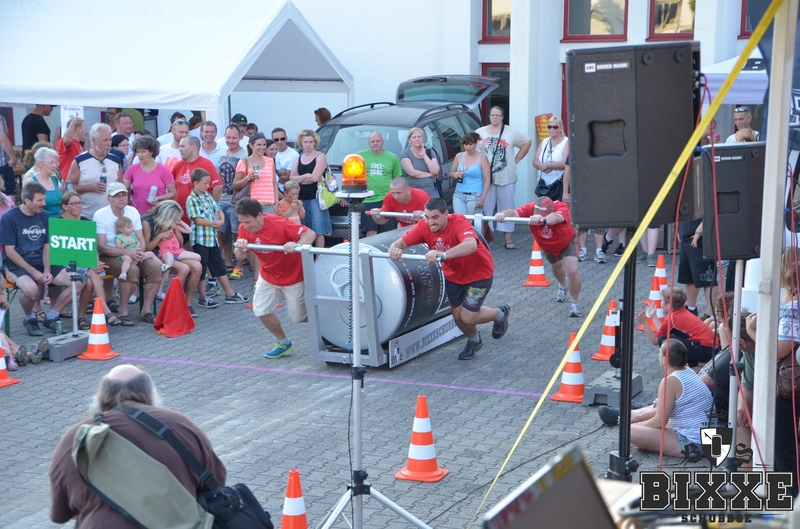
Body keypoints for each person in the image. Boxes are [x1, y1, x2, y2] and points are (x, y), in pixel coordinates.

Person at [49, 364, 227, 528]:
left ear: (101, 396)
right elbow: (216, 482)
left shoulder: (76, 437)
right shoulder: (180, 425)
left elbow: (59, 514)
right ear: (150, 393)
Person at [389, 197, 510, 360]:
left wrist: (444, 254)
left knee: (468, 316)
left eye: (435, 217)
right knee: (457, 316)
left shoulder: (458, 221)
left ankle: (500, 314)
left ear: (446, 214)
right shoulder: (424, 225)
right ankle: (474, 340)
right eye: (427, 217)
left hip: (479, 274)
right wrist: (395, 250)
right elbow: (399, 244)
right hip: (454, 275)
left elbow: (471, 245)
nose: (430, 222)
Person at [598, 339, 715, 458]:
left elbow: (659, 422)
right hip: (704, 437)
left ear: (664, 359)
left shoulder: (670, 381)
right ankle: (651, 442)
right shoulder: (688, 371)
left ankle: (652, 443)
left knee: (627, 430)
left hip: (693, 443)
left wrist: (638, 425)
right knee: (640, 427)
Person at [235, 198, 316, 358]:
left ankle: (330, 324)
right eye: (242, 222)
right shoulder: (243, 228)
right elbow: (240, 255)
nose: (245, 225)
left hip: (293, 276)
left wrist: (297, 244)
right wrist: (241, 248)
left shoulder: (279, 224)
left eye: (248, 222)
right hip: (268, 275)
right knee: (261, 310)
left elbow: (310, 234)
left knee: (297, 317)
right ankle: (284, 343)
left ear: (260, 215)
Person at [0, 183, 84, 336]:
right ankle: (29, 318)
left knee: (77, 282)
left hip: (41, 261)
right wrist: (33, 272)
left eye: (44, 199)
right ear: (27, 200)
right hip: (16, 265)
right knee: (31, 289)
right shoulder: (9, 218)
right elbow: (9, 252)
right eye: (40, 200)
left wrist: (46, 269)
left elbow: (47, 246)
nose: (44, 203)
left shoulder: (44, 215)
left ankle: (51, 317)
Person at [497, 196, 582, 317]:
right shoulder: (531, 207)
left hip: (567, 241)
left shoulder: (560, 207)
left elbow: (557, 217)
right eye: (538, 213)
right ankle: (563, 285)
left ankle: (575, 302)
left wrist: (543, 219)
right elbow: (514, 212)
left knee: (572, 271)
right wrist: (503, 214)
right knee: (556, 268)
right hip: (548, 246)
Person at [94, 182, 162, 325]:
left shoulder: (133, 211)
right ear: (109, 199)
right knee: (131, 270)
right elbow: (101, 246)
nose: (121, 198)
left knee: (155, 267)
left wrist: (139, 251)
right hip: (109, 255)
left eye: (124, 195)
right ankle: (123, 311)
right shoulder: (100, 215)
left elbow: (141, 239)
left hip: (133, 252)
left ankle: (146, 310)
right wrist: (127, 252)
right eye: (117, 196)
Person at [186, 168, 248, 308]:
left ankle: (230, 294)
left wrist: (221, 220)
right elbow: (198, 220)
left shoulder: (206, 195)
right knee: (202, 269)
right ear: (195, 183)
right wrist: (215, 223)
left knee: (219, 266)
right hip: (200, 240)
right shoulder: (192, 199)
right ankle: (203, 297)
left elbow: (218, 209)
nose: (208, 186)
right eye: (205, 183)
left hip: (211, 238)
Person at [59, 192, 120, 328]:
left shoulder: (86, 222)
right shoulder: (59, 223)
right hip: (65, 263)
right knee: (92, 273)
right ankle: (105, 312)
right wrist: (90, 264)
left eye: (80, 203)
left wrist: (96, 262)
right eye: (74, 203)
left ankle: (81, 318)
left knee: (90, 281)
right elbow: (62, 251)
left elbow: (91, 247)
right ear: (65, 206)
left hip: (84, 263)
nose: (79, 206)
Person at [476, 106, 532, 250]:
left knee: (507, 208)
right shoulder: (479, 132)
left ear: (502, 117)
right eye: (492, 115)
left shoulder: (510, 132)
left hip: (506, 176)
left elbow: (527, 142)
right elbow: (471, 149)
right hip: (486, 178)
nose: (494, 117)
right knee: (486, 208)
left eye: (497, 115)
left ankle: (508, 239)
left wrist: (516, 159)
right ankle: (486, 238)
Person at [141, 200, 202, 316]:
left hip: (173, 251)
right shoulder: (147, 221)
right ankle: (171, 302)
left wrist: (175, 228)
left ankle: (187, 304)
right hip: (156, 255)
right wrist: (160, 236)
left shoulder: (171, 223)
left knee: (197, 266)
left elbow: (180, 243)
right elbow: (146, 248)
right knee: (184, 268)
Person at [638, 286, 715, 368]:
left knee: (665, 340)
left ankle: (678, 366)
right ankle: (693, 366)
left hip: (706, 350)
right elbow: (663, 331)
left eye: (662, 301)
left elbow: (655, 340)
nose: (660, 303)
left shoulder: (672, 318)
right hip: (711, 348)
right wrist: (654, 316)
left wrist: (644, 322)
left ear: (668, 305)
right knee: (674, 337)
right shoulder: (682, 312)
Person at [68, 123, 124, 220]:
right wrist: (89, 188)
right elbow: (68, 188)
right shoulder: (80, 161)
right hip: (86, 217)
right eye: (105, 140)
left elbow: (121, 188)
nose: (109, 144)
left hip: (111, 217)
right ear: (94, 140)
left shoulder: (116, 160)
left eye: (110, 140)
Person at [290, 129, 331, 248]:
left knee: (318, 231)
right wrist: (307, 175)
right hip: (301, 198)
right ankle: (305, 256)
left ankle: (318, 257)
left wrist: (301, 178)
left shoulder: (320, 156)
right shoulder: (298, 158)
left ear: (315, 143)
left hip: (316, 198)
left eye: (310, 142)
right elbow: (291, 178)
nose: (308, 145)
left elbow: (315, 178)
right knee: (303, 230)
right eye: (305, 142)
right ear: (301, 143)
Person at [217, 124, 248, 271]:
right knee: (221, 233)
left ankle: (239, 265)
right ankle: (227, 262)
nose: (231, 141)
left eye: (234, 138)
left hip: (236, 201)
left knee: (237, 234)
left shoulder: (244, 156)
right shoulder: (223, 153)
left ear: (240, 137)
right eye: (228, 137)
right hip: (221, 199)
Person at [171, 136, 222, 225]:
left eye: (182, 146)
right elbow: (170, 185)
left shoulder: (205, 164)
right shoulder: (179, 165)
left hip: (199, 219)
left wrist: (210, 208)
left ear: (193, 148)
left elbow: (218, 186)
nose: (180, 149)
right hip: (180, 218)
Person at [359, 132, 402, 236]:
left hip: (387, 199)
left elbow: (398, 179)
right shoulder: (360, 156)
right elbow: (352, 176)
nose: (375, 143)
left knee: (387, 233)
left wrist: (398, 196)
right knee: (371, 232)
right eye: (372, 141)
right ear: (369, 143)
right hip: (367, 199)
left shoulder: (392, 157)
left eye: (378, 141)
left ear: (383, 142)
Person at [123, 136, 176, 215]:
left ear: (151, 152)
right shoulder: (132, 169)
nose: (140, 155)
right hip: (137, 213)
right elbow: (123, 188)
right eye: (138, 152)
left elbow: (173, 193)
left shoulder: (163, 170)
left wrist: (159, 198)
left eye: (143, 152)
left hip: (158, 213)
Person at [678, 217, 718, 316]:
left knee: (707, 278)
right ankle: (691, 308)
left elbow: (711, 210)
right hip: (686, 234)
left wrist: (700, 230)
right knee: (690, 276)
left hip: (700, 237)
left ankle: (710, 314)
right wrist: (679, 228)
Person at [448, 132, 490, 216]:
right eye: (466, 144)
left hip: (475, 195)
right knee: (459, 220)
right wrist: (455, 174)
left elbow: (487, 179)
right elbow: (451, 173)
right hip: (459, 194)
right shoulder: (459, 156)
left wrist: (483, 198)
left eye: (471, 144)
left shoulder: (482, 158)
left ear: (476, 143)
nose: (468, 147)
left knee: (471, 221)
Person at [114, 216, 167, 281]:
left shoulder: (132, 235)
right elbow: (118, 247)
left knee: (151, 253)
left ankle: (162, 265)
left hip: (136, 253)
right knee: (127, 259)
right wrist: (126, 243)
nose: (131, 228)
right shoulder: (119, 237)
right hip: (126, 254)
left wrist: (137, 246)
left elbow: (138, 242)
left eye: (131, 226)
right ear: (120, 229)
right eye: (128, 227)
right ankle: (123, 273)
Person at [235, 133, 278, 213]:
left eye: (264, 145)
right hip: (251, 205)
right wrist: (248, 178)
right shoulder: (243, 162)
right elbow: (235, 185)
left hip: (269, 204)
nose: (262, 147)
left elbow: (274, 182)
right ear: (251, 145)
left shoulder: (270, 161)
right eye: (259, 145)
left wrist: (277, 202)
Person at [531, 116, 568, 202]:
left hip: (558, 185)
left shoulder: (566, 142)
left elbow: (566, 163)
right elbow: (535, 161)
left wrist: (548, 165)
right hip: (543, 186)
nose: (552, 129)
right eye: (549, 127)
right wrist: (541, 166)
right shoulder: (545, 141)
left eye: (555, 127)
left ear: (561, 128)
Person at [399, 127, 440, 198]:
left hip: (430, 193)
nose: (417, 139)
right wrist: (430, 174)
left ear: (423, 139)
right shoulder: (405, 153)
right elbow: (413, 173)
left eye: (419, 137)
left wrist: (424, 155)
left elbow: (435, 171)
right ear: (409, 140)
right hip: (413, 194)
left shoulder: (430, 152)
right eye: (414, 137)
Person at [22, 147, 63, 218]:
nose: (55, 166)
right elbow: (27, 206)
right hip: (43, 221)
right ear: (40, 163)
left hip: (60, 220)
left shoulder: (55, 179)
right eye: (51, 162)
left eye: (56, 163)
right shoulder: (32, 181)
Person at [272, 127, 299, 192]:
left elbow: (288, 177)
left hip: (287, 191)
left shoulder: (294, 154)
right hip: (272, 190)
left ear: (286, 139)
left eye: (282, 139)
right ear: (272, 140)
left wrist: (275, 174)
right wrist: (282, 172)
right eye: (276, 139)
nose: (279, 142)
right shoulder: (270, 153)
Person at [0, 114, 16, 195]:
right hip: (2, 164)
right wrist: (12, 158)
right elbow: (2, 139)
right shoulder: (0, 118)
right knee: (8, 193)